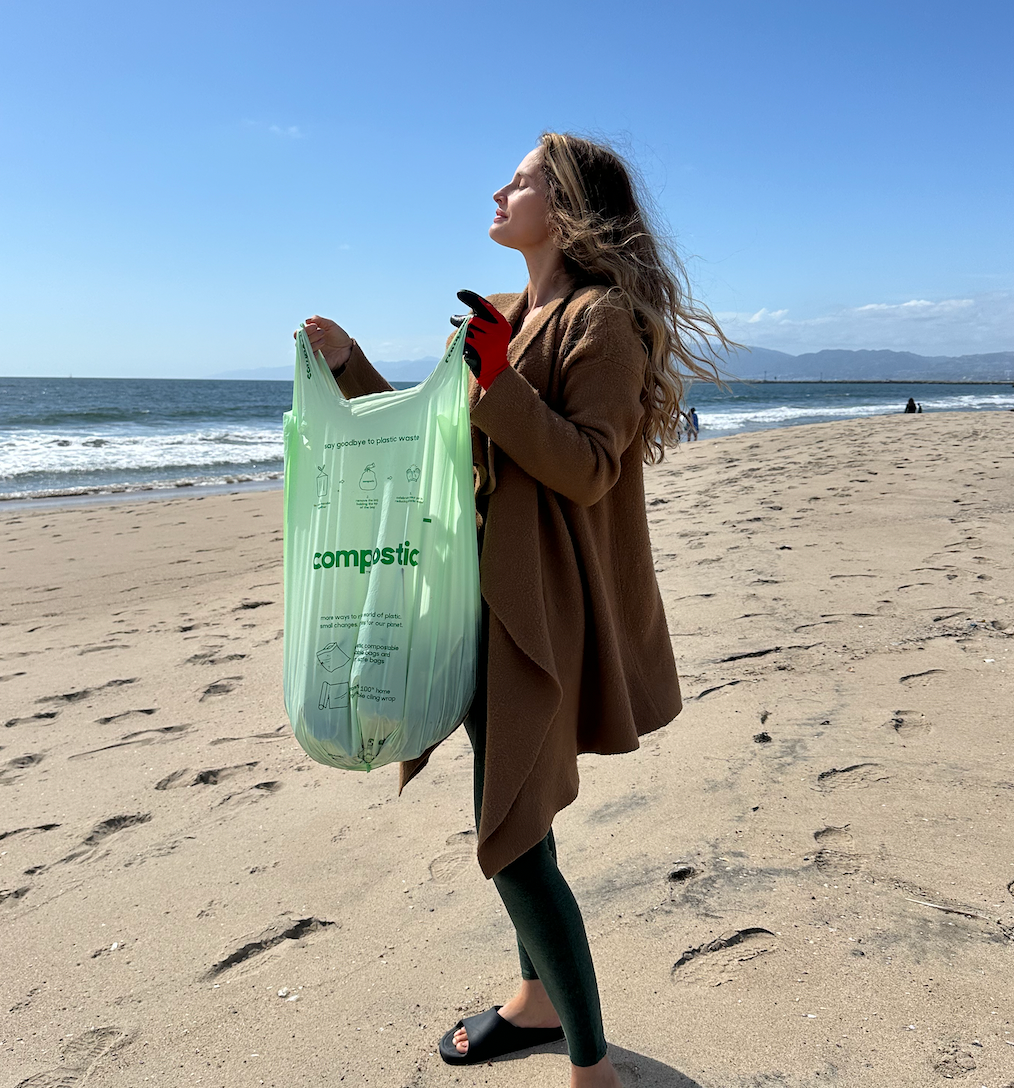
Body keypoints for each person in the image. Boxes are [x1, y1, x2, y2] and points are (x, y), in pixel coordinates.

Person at [300, 132, 734, 1088]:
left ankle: (592, 1070)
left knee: (510, 841)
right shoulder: (499, 313)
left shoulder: (603, 322)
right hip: (480, 598)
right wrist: (351, 369)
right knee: (522, 817)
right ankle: (537, 1001)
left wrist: (495, 380)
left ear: (567, 207)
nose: (500, 190)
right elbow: (437, 446)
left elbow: (587, 467)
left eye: (523, 180)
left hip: (545, 611)